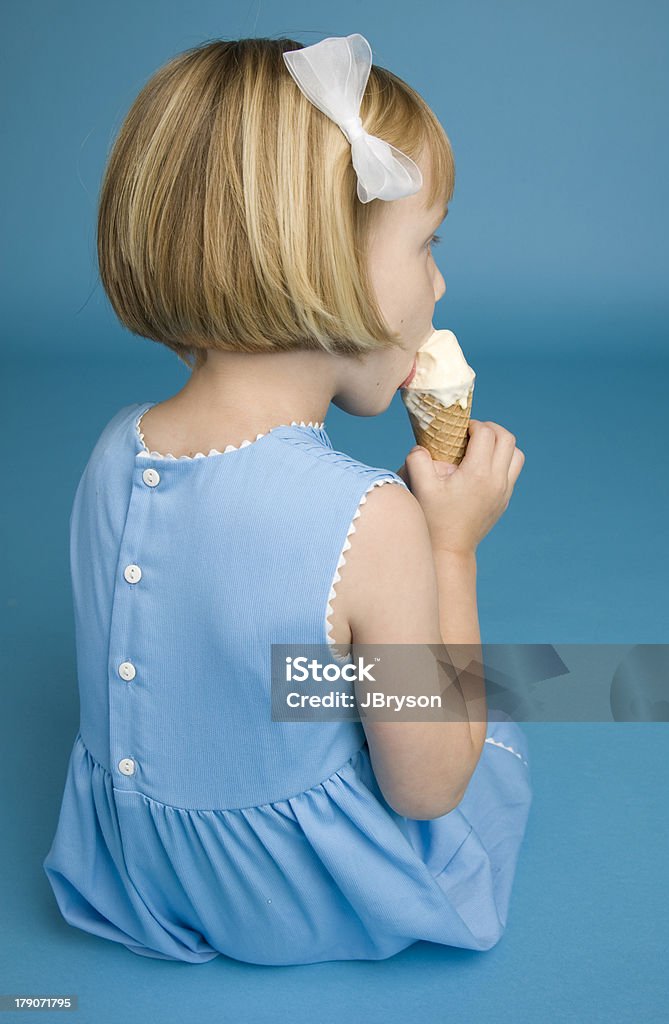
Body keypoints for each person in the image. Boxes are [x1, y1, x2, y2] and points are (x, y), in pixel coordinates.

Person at [42, 34, 531, 966]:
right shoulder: (365, 517)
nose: (439, 281)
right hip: (291, 902)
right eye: (425, 245)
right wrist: (449, 548)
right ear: (327, 268)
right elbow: (427, 790)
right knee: (490, 725)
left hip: (138, 870)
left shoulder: (116, 448)